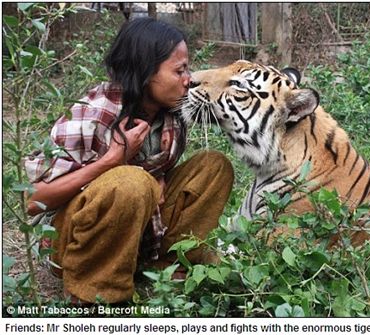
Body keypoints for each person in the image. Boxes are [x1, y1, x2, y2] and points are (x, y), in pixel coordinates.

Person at [24, 17, 234, 304]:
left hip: (138, 227)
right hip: (69, 240)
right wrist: (111, 161)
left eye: (188, 68)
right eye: (179, 70)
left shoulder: (170, 112)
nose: (189, 80)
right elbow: (32, 200)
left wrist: (156, 175)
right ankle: (96, 295)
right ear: (147, 73)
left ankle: (163, 270)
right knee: (131, 182)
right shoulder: (95, 113)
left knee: (214, 167)